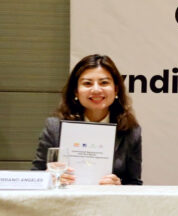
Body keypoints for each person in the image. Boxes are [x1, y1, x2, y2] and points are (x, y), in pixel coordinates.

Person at [33, 54, 142, 185]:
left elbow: (134, 183)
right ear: (76, 91)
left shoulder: (130, 131)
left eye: (104, 82)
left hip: (108, 198)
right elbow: (35, 175)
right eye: (87, 83)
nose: (96, 90)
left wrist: (119, 187)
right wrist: (48, 178)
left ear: (116, 89)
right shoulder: (54, 128)